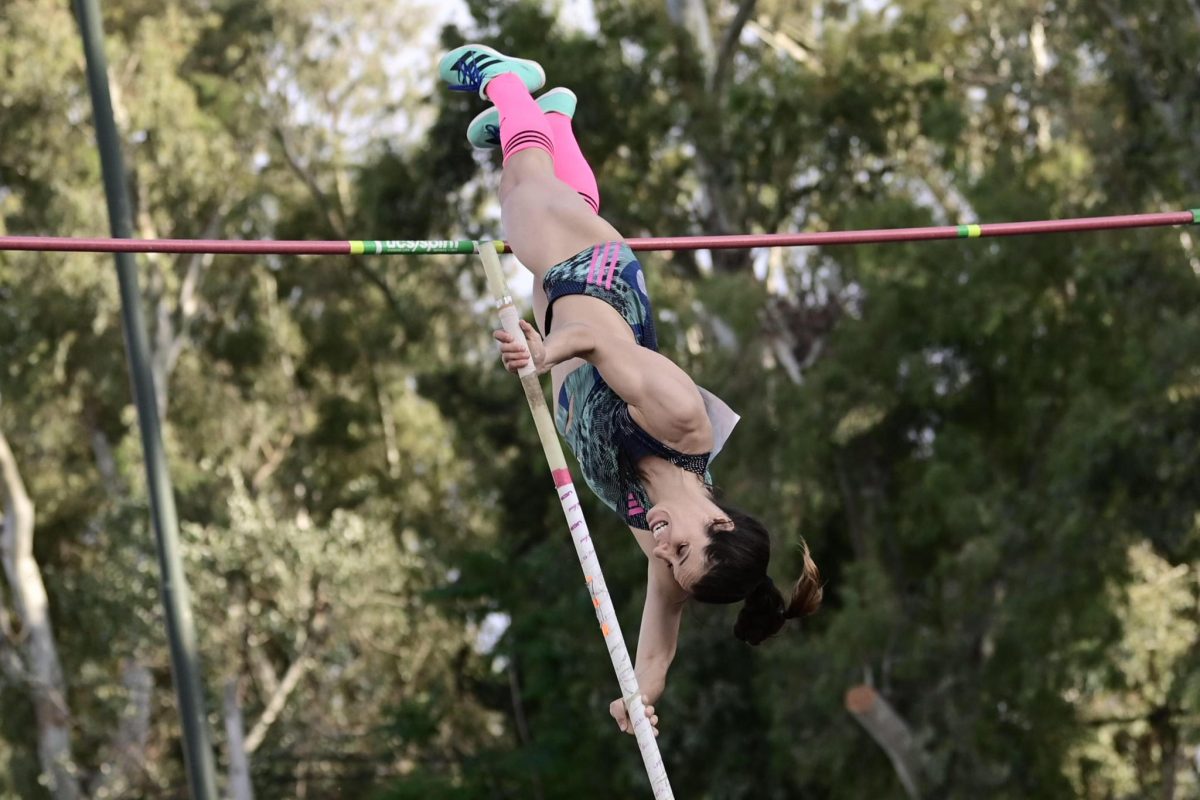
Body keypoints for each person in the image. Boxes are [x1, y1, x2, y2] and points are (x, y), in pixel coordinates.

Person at [439, 44, 822, 736]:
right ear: (720, 522)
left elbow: (658, 639)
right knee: (522, 200)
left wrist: (642, 695)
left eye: (672, 563)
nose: (664, 553)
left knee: (558, 199)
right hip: (593, 282)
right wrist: (543, 349)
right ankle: (506, 81)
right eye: (682, 550)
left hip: (565, 317)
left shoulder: (663, 535)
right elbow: (604, 346)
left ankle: (552, 120)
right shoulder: (682, 427)